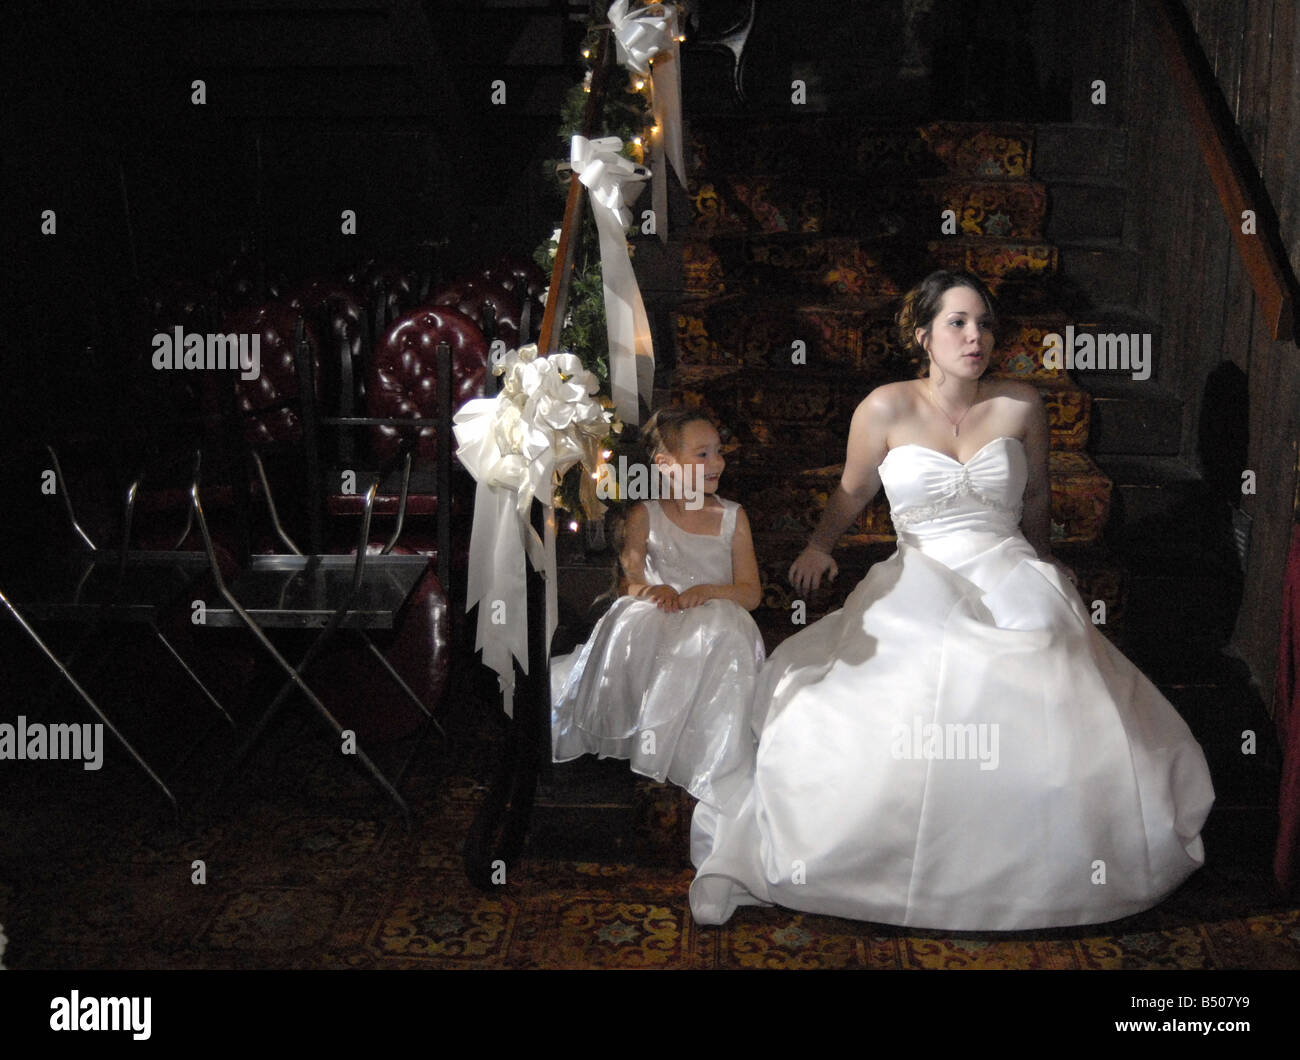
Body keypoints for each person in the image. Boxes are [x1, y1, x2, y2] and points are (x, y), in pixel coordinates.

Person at [689, 270, 1215, 930]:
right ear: (923, 336)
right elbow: (853, 491)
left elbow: (1037, 501)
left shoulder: (1021, 405)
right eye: (958, 323)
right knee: (918, 652)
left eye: (985, 324)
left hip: (1006, 560)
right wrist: (821, 545)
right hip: (922, 566)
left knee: (1043, 638)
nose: (975, 337)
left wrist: (1046, 565)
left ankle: (1042, 861)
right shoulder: (885, 407)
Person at [551, 407, 766, 812]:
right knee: (631, 619)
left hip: (713, 613)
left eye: (718, 452)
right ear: (666, 465)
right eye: (701, 455)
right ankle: (638, 729)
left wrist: (709, 591)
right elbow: (628, 581)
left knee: (724, 629)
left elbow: (751, 594)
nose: (717, 462)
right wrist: (652, 589)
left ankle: (707, 748)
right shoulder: (644, 515)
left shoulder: (733, 518)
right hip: (661, 613)